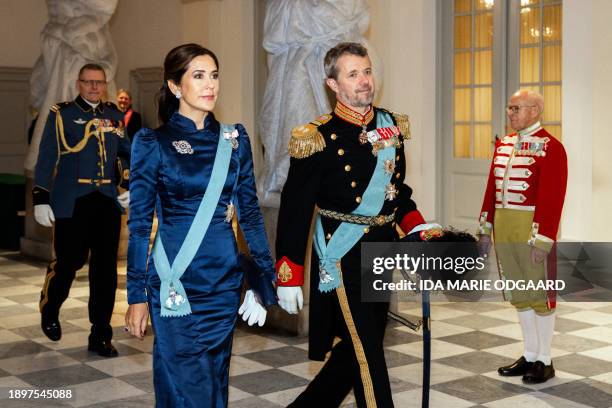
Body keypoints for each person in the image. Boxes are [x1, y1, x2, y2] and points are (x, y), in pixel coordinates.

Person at [275, 42, 429, 407]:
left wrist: (419, 227)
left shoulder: (390, 125)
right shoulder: (317, 137)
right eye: (353, 74)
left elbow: (397, 192)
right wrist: (289, 273)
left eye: (367, 71)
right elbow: (295, 209)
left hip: (382, 251)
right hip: (342, 254)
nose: (364, 81)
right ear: (333, 84)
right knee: (367, 354)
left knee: (366, 343)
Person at [124, 43, 274, 408]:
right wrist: (136, 295)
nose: (211, 85)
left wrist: (262, 279)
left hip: (223, 285)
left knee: (214, 382)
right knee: (190, 389)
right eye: (198, 75)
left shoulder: (234, 141)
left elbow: (250, 215)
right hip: (176, 284)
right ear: (175, 86)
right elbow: (141, 225)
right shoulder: (152, 142)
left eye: (215, 75)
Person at [33, 63, 131, 357]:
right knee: (68, 262)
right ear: (79, 84)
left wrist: (129, 185)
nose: (93, 87)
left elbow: (126, 154)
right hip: (72, 200)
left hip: (105, 200)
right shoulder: (61, 114)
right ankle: (50, 306)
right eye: (88, 82)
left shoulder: (114, 116)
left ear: (105, 84)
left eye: (98, 82)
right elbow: (47, 155)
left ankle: (100, 333)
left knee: (105, 272)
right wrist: (40, 197)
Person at [478, 89, 567, 384]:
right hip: (504, 225)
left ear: (535, 110)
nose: (510, 113)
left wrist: (543, 239)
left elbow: (552, 198)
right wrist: (486, 228)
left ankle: (545, 358)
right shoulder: (504, 144)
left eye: (516, 108)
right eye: (510, 107)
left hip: (531, 226)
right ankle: (529, 354)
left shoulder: (552, 147)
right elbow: (492, 190)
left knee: (540, 295)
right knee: (519, 292)